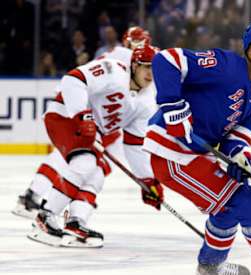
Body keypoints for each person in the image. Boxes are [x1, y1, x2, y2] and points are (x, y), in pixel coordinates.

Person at [143, 21, 251, 275]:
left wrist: (241, 157)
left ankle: (210, 266)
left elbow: (239, 134)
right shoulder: (224, 65)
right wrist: (172, 104)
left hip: (197, 154)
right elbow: (167, 59)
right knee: (250, 202)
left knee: (228, 207)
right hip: (172, 152)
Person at [12, 45, 163, 248]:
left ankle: (75, 223)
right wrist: (82, 114)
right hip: (65, 115)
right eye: (147, 68)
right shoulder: (113, 70)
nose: (151, 75)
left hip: (93, 130)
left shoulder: (147, 102)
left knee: (96, 175)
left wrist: (147, 180)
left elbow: (134, 144)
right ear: (134, 65)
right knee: (85, 163)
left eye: (155, 70)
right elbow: (73, 79)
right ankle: (44, 217)